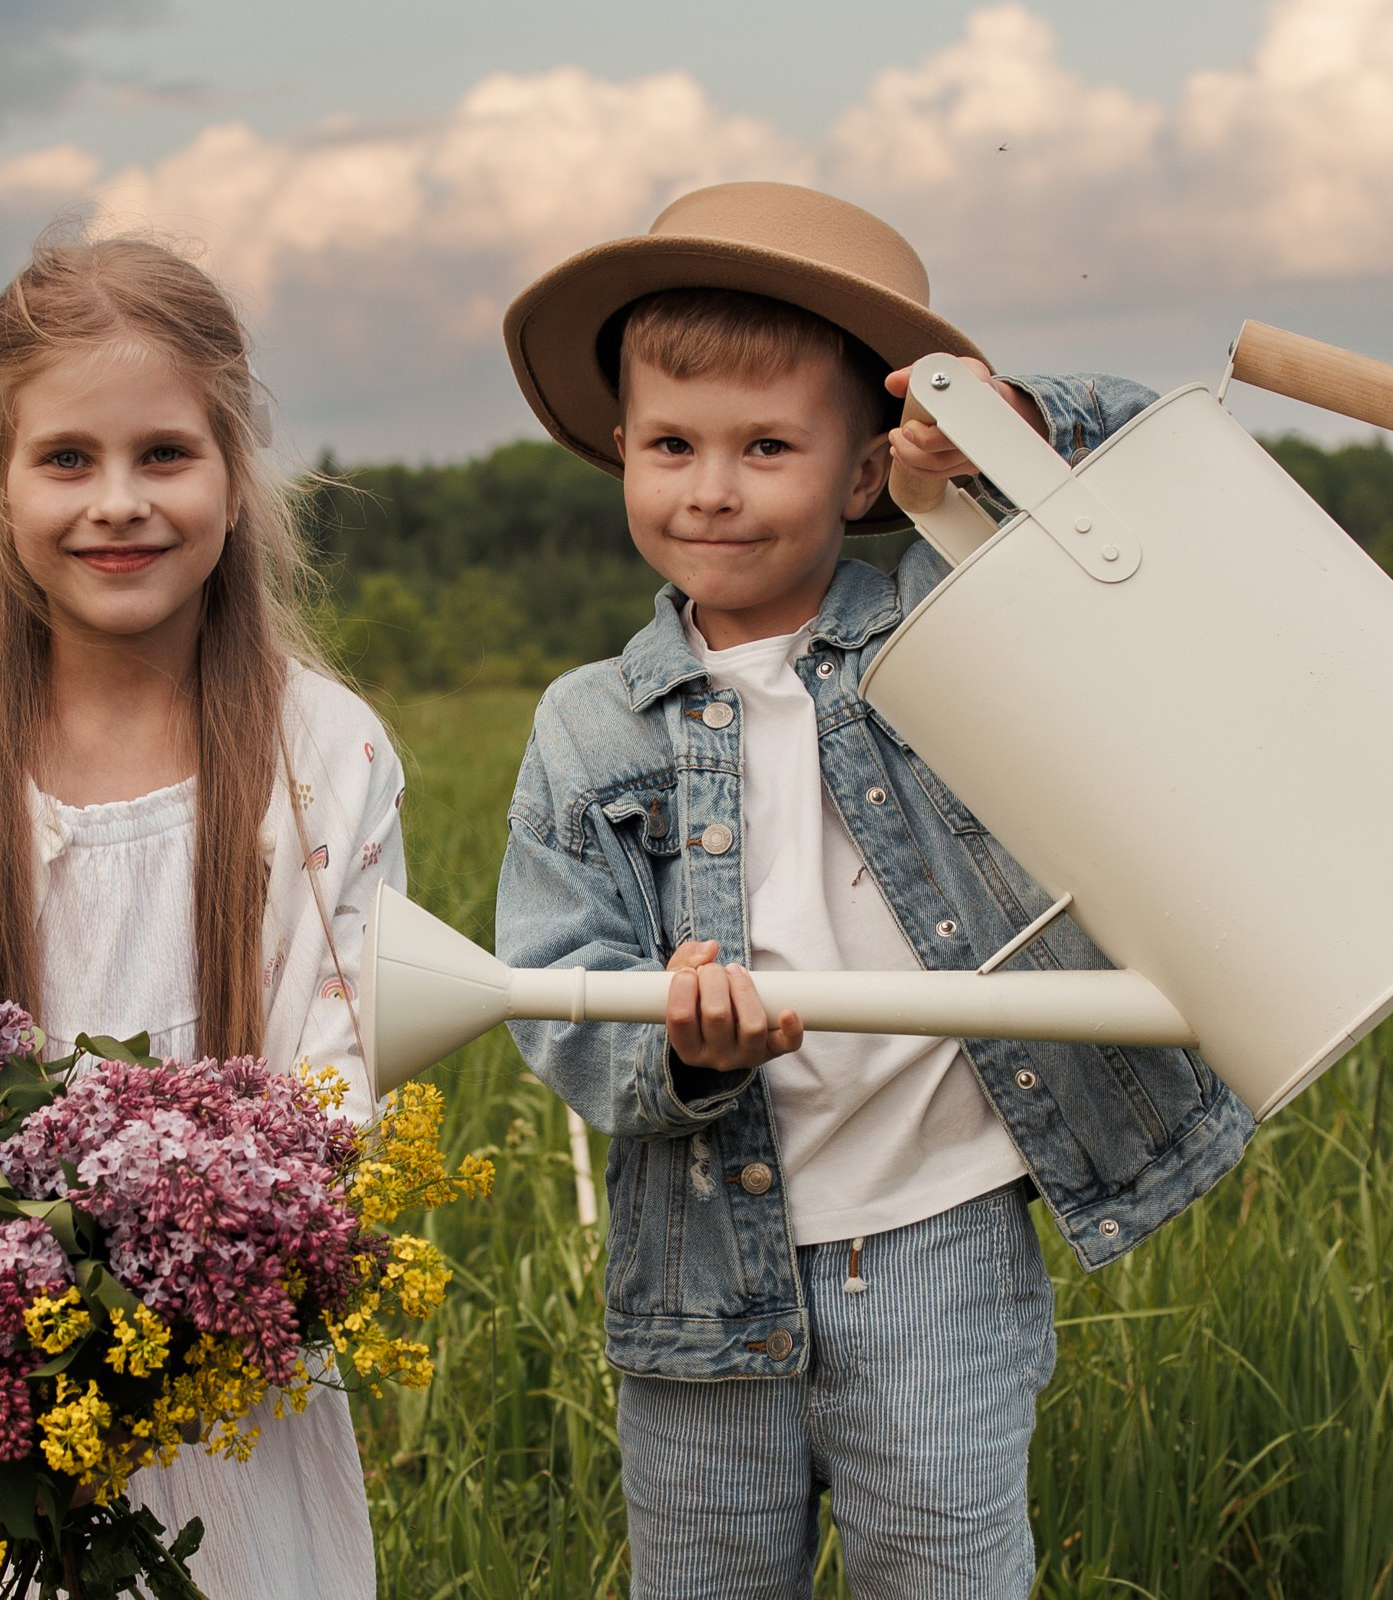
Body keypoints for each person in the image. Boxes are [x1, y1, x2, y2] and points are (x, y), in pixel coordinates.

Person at [493, 182, 1255, 1597]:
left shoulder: (955, 622)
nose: (710, 487)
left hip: (939, 1241)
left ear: (860, 472)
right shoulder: (587, 724)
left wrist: (998, 425)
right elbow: (559, 980)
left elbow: (1148, 480)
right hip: (703, 1266)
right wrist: (675, 1051)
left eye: (766, 445)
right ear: (620, 454)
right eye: (671, 445)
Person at [0, 232, 402, 1598]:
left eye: (165, 454)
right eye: (67, 460)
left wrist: (165, 1287)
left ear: (233, 468)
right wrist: (22, 1318)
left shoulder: (321, 755)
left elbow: (331, 1089)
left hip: (229, 1383)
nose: (119, 505)